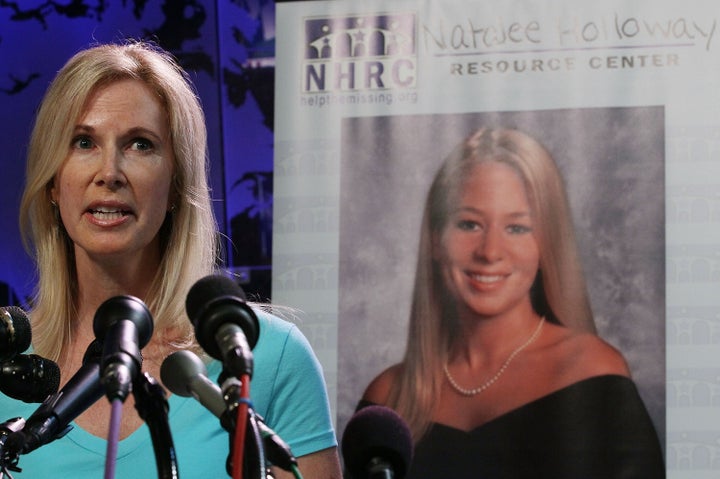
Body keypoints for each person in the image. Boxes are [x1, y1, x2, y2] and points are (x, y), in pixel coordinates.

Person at [0, 41, 342, 478]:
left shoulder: (266, 359)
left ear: (177, 184)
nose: (109, 173)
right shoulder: (8, 370)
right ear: (52, 182)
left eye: (140, 145)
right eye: (83, 142)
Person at [360, 127, 665, 478]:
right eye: (469, 224)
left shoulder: (593, 373)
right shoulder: (387, 400)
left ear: (547, 241)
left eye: (517, 228)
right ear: (434, 238)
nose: (490, 252)